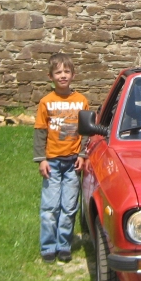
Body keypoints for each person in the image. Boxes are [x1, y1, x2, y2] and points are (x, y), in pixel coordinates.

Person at [33, 53, 90, 263]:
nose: (63, 75)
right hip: (53, 163)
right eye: (58, 72)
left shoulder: (81, 101)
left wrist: (83, 155)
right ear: (50, 76)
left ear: (73, 75)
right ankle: (48, 247)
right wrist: (42, 159)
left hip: (73, 163)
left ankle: (64, 244)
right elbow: (40, 132)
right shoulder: (46, 102)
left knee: (69, 206)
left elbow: (85, 131)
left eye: (66, 71)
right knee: (50, 207)